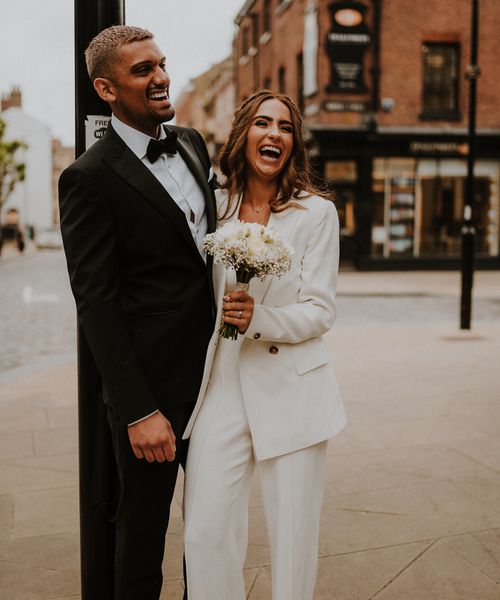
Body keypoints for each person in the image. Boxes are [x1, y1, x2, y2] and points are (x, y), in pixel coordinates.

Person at [58, 25, 216, 600]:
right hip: (154, 396)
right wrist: (139, 409)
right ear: (106, 89)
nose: (161, 78)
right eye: (142, 71)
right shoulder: (88, 178)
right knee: (143, 542)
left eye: (162, 64)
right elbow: (96, 302)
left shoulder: (194, 143)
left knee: (211, 532)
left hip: (218, 382)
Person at [183, 90, 347, 600]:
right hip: (223, 384)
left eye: (284, 127)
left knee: (293, 541)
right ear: (243, 135)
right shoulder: (215, 207)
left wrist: (260, 319)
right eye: (261, 123)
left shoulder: (315, 214)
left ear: (293, 144)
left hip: (293, 389)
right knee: (203, 531)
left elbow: (321, 310)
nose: (273, 133)